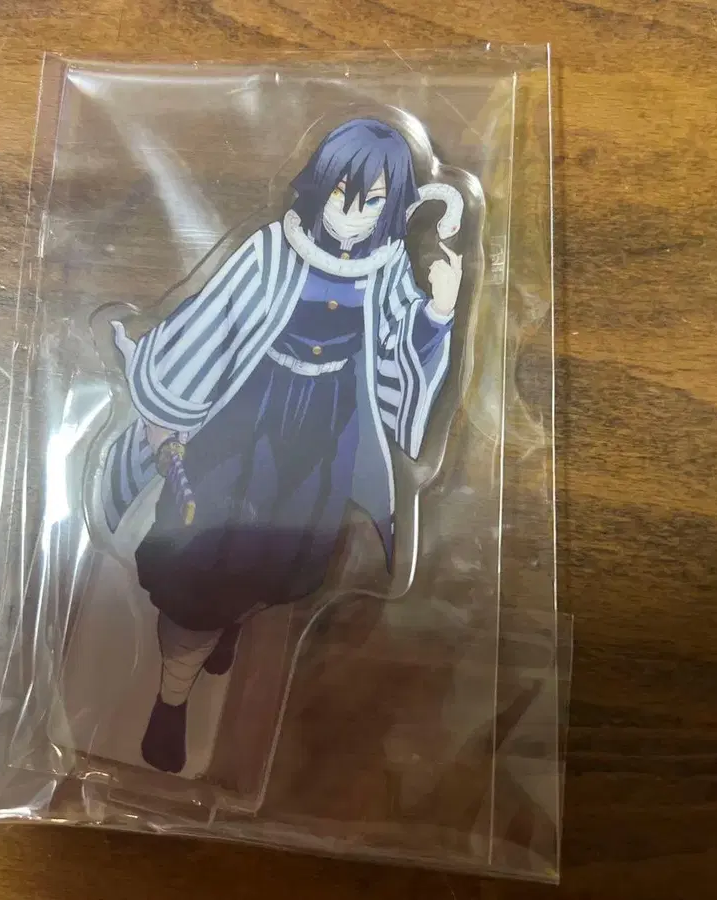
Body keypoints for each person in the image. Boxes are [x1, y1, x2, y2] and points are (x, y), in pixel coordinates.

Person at [102, 118, 465, 773]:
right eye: (343, 194)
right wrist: (167, 414)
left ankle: (232, 623)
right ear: (321, 186)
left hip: (327, 428)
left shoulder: (387, 269)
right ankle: (171, 701)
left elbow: (400, 354)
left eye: (373, 200)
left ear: (392, 205)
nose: (353, 214)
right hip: (249, 416)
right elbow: (208, 324)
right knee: (201, 562)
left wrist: (438, 311)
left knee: (283, 554)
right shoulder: (271, 251)